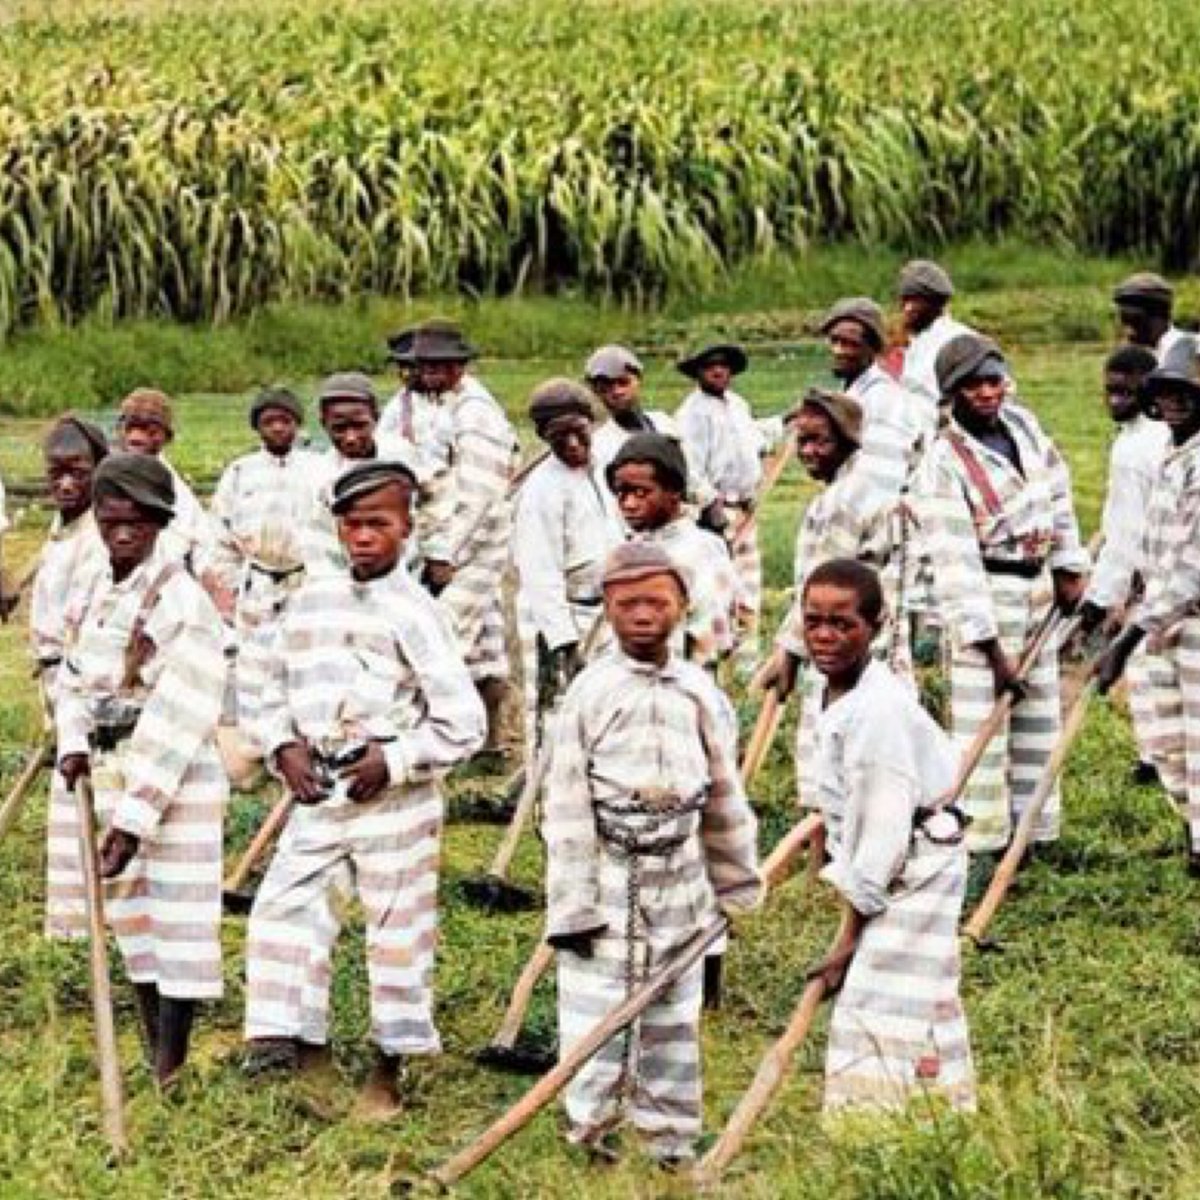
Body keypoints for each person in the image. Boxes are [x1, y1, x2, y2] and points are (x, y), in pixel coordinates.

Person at [243, 461, 485, 1116]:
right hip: (321, 790)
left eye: (379, 524)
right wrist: (283, 746)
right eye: (352, 525)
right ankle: (306, 1050)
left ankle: (388, 1069)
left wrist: (398, 759)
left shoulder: (417, 612)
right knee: (286, 910)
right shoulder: (309, 602)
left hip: (394, 802)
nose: (364, 538)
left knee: (395, 929)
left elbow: (465, 723)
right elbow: (263, 685)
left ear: (407, 529)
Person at [543, 541, 761, 1164]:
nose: (643, 615)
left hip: (681, 873)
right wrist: (574, 906)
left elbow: (724, 791)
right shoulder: (590, 693)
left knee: (673, 1012)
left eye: (657, 602)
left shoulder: (699, 691)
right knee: (596, 1011)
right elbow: (564, 807)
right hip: (610, 870)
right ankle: (592, 1130)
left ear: (683, 607)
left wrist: (734, 879)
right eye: (628, 603)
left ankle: (669, 1137)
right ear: (607, 611)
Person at [55, 453, 228, 1085]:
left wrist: (132, 822)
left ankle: (171, 1061)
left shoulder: (181, 600)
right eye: (111, 520)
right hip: (109, 763)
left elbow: (180, 714)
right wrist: (73, 740)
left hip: (174, 774)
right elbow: (70, 676)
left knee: (178, 917)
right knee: (130, 917)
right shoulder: (95, 586)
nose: (123, 534)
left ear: (160, 523)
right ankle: (151, 1042)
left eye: (138, 523)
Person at [800, 558, 975, 1113]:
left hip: (917, 860)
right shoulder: (828, 691)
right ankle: (937, 1109)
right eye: (814, 622)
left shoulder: (879, 711)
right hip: (899, 849)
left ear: (875, 626)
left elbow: (882, 835)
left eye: (843, 624)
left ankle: (872, 1126)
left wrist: (849, 935)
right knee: (919, 985)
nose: (825, 636)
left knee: (878, 991)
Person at [919, 334, 1088, 878]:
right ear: (953, 395)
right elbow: (954, 561)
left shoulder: (1025, 427)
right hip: (987, 597)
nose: (988, 393)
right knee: (984, 725)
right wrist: (992, 651)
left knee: (1039, 713)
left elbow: (1058, 495)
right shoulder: (942, 461)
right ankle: (983, 846)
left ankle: (1031, 835)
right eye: (974, 386)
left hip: (1037, 587)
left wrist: (1067, 564)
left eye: (994, 381)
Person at [752, 390, 893, 805]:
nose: (809, 451)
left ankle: (833, 846)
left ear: (848, 441)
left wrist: (789, 654)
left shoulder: (844, 501)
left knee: (838, 747)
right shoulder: (845, 490)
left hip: (846, 637)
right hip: (845, 634)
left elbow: (824, 589)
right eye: (802, 441)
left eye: (821, 442)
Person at [1096, 338, 1200, 873]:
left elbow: (1190, 569)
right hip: (1163, 621)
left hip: (1189, 624)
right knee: (1169, 742)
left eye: (1189, 392)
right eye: (1169, 392)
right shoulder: (1169, 455)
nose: (1178, 401)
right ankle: (1192, 836)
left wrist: (1128, 637)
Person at [407, 320, 521, 759]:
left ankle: (442, 740)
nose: (432, 374)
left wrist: (445, 553)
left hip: (474, 542)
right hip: (439, 539)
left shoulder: (477, 414)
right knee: (485, 641)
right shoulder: (438, 404)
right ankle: (487, 741)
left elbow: (478, 495)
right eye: (425, 366)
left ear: (460, 365)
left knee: (440, 637)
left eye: (442, 366)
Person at [209, 388, 324, 760]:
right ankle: (258, 749)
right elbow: (221, 536)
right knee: (252, 664)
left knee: (302, 660)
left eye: (285, 421)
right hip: (257, 584)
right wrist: (228, 589)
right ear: (257, 427)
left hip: (305, 580)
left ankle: (305, 741)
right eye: (268, 422)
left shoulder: (317, 469)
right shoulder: (241, 472)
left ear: (297, 424)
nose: (277, 429)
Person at [512, 379, 624, 745]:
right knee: (556, 717)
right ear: (545, 438)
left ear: (591, 423)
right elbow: (539, 574)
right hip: (560, 615)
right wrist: (564, 642)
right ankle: (545, 797)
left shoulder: (607, 467)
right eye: (560, 438)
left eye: (579, 433)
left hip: (606, 607)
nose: (573, 444)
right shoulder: (541, 491)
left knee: (608, 706)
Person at [1078, 346, 1171, 783]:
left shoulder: (1137, 448)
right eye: (1109, 392)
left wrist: (1100, 599)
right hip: (1159, 571)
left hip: (1157, 573)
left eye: (1125, 393)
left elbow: (1127, 534)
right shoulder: (1146, 437)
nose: (1115, 400)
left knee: (1149, 665)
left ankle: (1156, 760)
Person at [33, 416, 110, 939]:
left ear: (99, 472)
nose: (65, 484)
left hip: (83, 685)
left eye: (78, 473)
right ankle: (69, 929)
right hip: (54, 677)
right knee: (65, 805)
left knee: (83, 797)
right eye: (56, 473)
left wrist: (69, 698)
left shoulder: (100, 540)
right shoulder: (59, 532)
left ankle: (88, 927)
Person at [674, 343, 784, 674]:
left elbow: (756, 440)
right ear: (698, 372)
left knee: (748, 589)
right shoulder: (692, 413)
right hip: (713, 514)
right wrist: (710, 505)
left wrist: (787, 420)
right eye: (710, 367)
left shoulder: (738, 406)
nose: (718, 372)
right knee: (718, 591)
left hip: (745, 510)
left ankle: (746, 667)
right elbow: (689, 467)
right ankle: (711, 663)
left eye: (724, 366)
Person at [606, 432, 738, 670]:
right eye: (621, 493)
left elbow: (709, 637)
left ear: (674, 491)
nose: (629, 504)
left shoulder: (700, 551)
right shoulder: (630, 551)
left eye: (640, 493)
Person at [820, 296, 935, 504]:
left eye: (850, 344)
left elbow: (883, 480)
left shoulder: (884, 401)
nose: (838, 350)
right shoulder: (853, 393)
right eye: (835, 340)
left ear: (872, 348)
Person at [585, 345, 718, 523]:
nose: (617, 392)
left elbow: (689, 471)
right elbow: (612, 502)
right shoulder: (602, 445)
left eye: (623, 382)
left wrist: (709, 502)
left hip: (683, 520)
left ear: (638, 380)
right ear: (597, 392)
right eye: (606, 388)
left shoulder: (664, 424)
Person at [305, 372, 410, 574]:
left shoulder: (403, 459)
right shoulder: (319, 476)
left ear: (376, 418)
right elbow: (316, 541)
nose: (351, 437)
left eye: (360, 426)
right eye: (339, 429)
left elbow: (431, 512)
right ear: (323, 424)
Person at [114, 388, 216, 575]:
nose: (136, 438)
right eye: (130, 427)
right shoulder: (102, 480)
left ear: (166, 437)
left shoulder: (179, 495)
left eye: (149, 430)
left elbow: (202, 546)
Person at [896, 259, 976, 407]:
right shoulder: (918, 341)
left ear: (937, 304)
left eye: (915, 301)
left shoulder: (958, 340)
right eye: (905, 300)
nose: (907, 309)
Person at [1113, 272, 1187, 363]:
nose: (1129, 331)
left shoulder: (1185, 351)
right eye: (1124, 320)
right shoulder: (1125, 356)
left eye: (1137, 322)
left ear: (1161, 318)